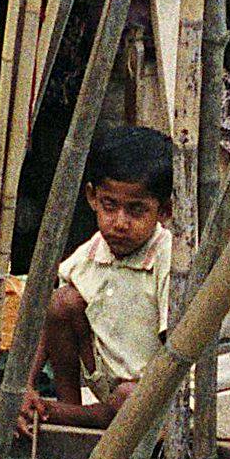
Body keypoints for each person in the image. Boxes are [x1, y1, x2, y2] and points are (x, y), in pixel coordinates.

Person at [21, 125, 176, 435]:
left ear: (165, 210)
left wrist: (147, 393)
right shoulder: (92, 251)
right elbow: (47, 321)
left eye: (136, 210)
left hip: (155, 393)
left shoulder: (168, 255)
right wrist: (24, 386)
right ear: (92, 197)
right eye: (110, 206)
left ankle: (74, 415)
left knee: (130, 398)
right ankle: (71, 406)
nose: (119, 222)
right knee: (61, 302)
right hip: (109, 386)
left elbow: (172, 350)